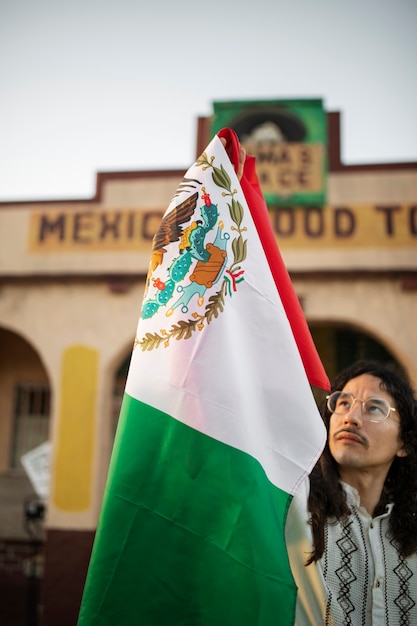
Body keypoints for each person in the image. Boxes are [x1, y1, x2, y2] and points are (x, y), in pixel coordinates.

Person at [286, 360, 417, 626]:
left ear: (404, 443)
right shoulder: (295, 510)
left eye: (374, 408)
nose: (351, 418)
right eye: (343, 403)